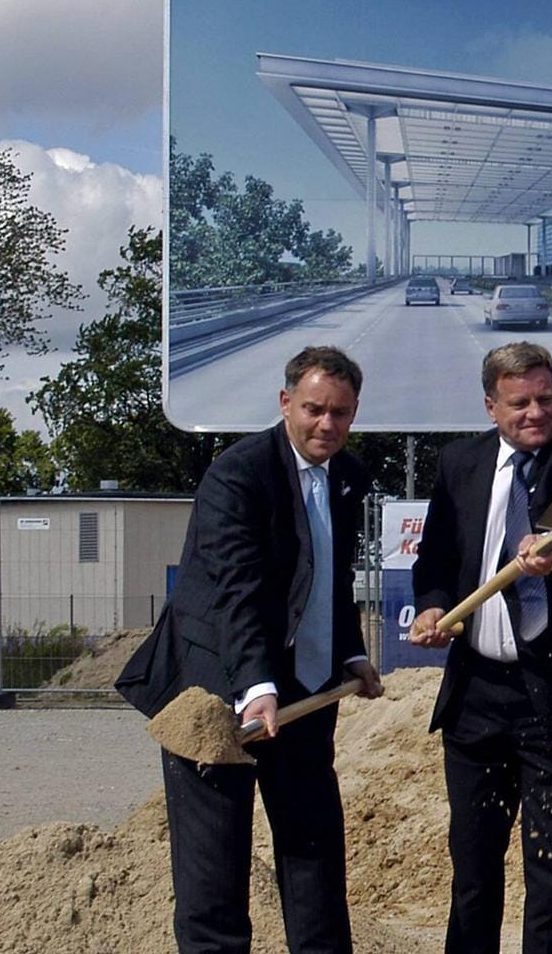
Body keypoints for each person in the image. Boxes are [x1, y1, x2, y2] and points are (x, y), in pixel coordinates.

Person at [116, 346, 384, 954]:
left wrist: (349, 652)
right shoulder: (238, 474)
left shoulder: (347, 477)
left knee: (313, 850)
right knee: (214, 869)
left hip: (305, 691)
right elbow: (236, 590)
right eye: (314, 409)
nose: (327, 425)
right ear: (286, 403)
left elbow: (325, 575)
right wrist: (256, 687)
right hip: (211, 689)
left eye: (341, 414)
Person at [407, 343, 552, 954]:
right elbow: (437, 560)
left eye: (545, 398)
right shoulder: (458, 463)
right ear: (490, 406)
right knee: (473, 875)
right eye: (519, 402)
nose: (535, 412)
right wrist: (431, 604)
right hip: (476, 698)